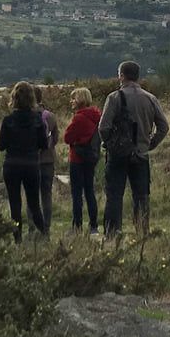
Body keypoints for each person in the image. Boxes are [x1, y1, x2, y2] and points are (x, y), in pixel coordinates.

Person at [98, 60, 170, 238]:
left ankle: (112, 233)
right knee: (141, 196)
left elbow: (103, 127)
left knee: (114, 195)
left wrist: (109, 143)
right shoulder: (150, 98)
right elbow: (164, 127)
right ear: (138, 76)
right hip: (141, 153)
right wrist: (149, 143)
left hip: (118, 154)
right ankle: (142, 232)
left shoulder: (114, 98)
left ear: (122, 76)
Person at [0, 81, 49, 242]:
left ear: (15, 98)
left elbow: (1, 146)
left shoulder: (8, 120)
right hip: (31, 164)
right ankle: (44, 235)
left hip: (12, 164)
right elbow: (44, 144)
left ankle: (17, 238)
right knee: (34, 204)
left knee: (15, 204)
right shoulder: (38, 120)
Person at [61, 87, 103, 233]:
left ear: (80, 100)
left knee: (77, 193)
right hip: (91, 157)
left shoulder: (79, 117)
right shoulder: (97, 116)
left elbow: (67, 138)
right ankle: (93, 225)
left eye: (73, 98)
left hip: (77, 158)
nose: (71, 101)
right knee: (90, 191)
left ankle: (77, 225)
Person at [36, 85, 60, 230]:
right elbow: (56, 138)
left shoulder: (27, 116)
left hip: (32, 161)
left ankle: (33, 227)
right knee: (47, 195)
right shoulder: (50, 116)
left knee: (32, 196)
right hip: (48, 160)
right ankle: (46, 227)